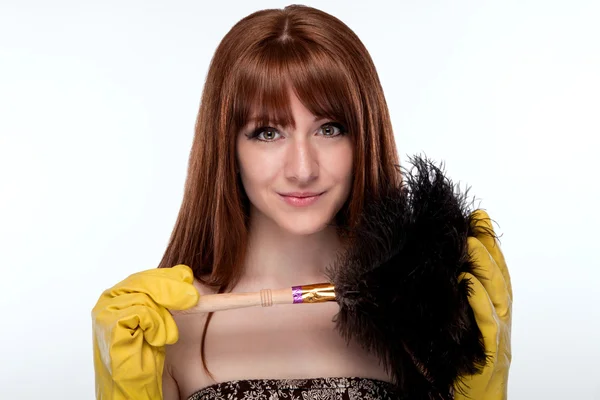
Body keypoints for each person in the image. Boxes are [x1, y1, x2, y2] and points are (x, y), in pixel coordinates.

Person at [92, 4, 512, 400]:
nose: (302, 169)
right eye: (268, 132)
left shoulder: (422, 311)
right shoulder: (168, 328)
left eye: (329, 129)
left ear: (364, 136)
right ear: (228, 148)